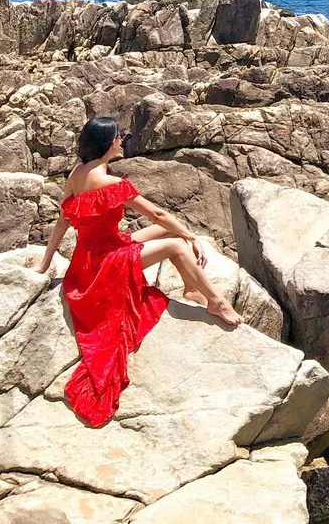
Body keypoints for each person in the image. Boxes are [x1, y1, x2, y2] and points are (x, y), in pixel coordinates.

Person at [37, 114, 242, 427]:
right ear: (109, 144)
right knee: (175, 244)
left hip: (88, 261)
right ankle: (216, 301)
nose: (121, 140)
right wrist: (190, 236)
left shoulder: (77, 174)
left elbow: (63, 222)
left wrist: (45, 262)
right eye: (118, 136)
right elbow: (158, 213)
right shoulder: (113, 184)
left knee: (165, 235)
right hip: (105, 266)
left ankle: (190, 288)